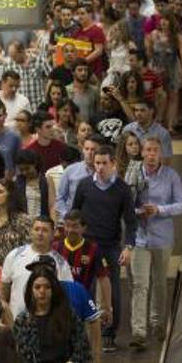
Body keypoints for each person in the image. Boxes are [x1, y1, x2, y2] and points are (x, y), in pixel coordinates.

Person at [71, 147, 137, 351]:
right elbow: (75, 214)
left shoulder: (123, 189)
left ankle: (109, 333)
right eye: (96, 163)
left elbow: (131, 221)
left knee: (113, 290)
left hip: (110, 246)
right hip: (87, 246)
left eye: (104, 163)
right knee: (83, 289)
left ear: (113, 164)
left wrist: (128, 248)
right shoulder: (84, 186)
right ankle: (84, 334)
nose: (99, 167)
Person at [126, 136, 182, 348]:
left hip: (162, 238)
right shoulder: (132, 173)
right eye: (148, 150)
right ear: (141, 152)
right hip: (139, 238)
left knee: (160, 283)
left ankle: (158, 325)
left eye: (155, 150)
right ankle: (138, 332)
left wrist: (160, 210)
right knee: (139, 284)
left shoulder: (171, 176)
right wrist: (138, 211)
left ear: (160, 154)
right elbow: (124, 205)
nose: (151, 154)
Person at [13, 266, 93, 363]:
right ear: (31, 290)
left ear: (53, 290)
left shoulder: (68, 314)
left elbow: (82, 347)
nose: (42, 291)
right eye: (37, 287)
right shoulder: (23, 320)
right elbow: (21, 359)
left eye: (47, 287)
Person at [0, 216, 74, 317]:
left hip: (49, 322)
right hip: (16, 321)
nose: (40, 233)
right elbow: (4, 288)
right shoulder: (14, 255)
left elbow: (66, 295)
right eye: (36, 229)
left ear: (53, 234)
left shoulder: (61, 263)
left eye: (45, 230)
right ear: (31, 232)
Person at [121, 97, 174, 162]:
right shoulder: (127, 129)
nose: (138, 114)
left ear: (151, 111)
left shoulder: (163, 133)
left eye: (142, 110)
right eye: (136, 110)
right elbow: (121, 155)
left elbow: (166, 159)